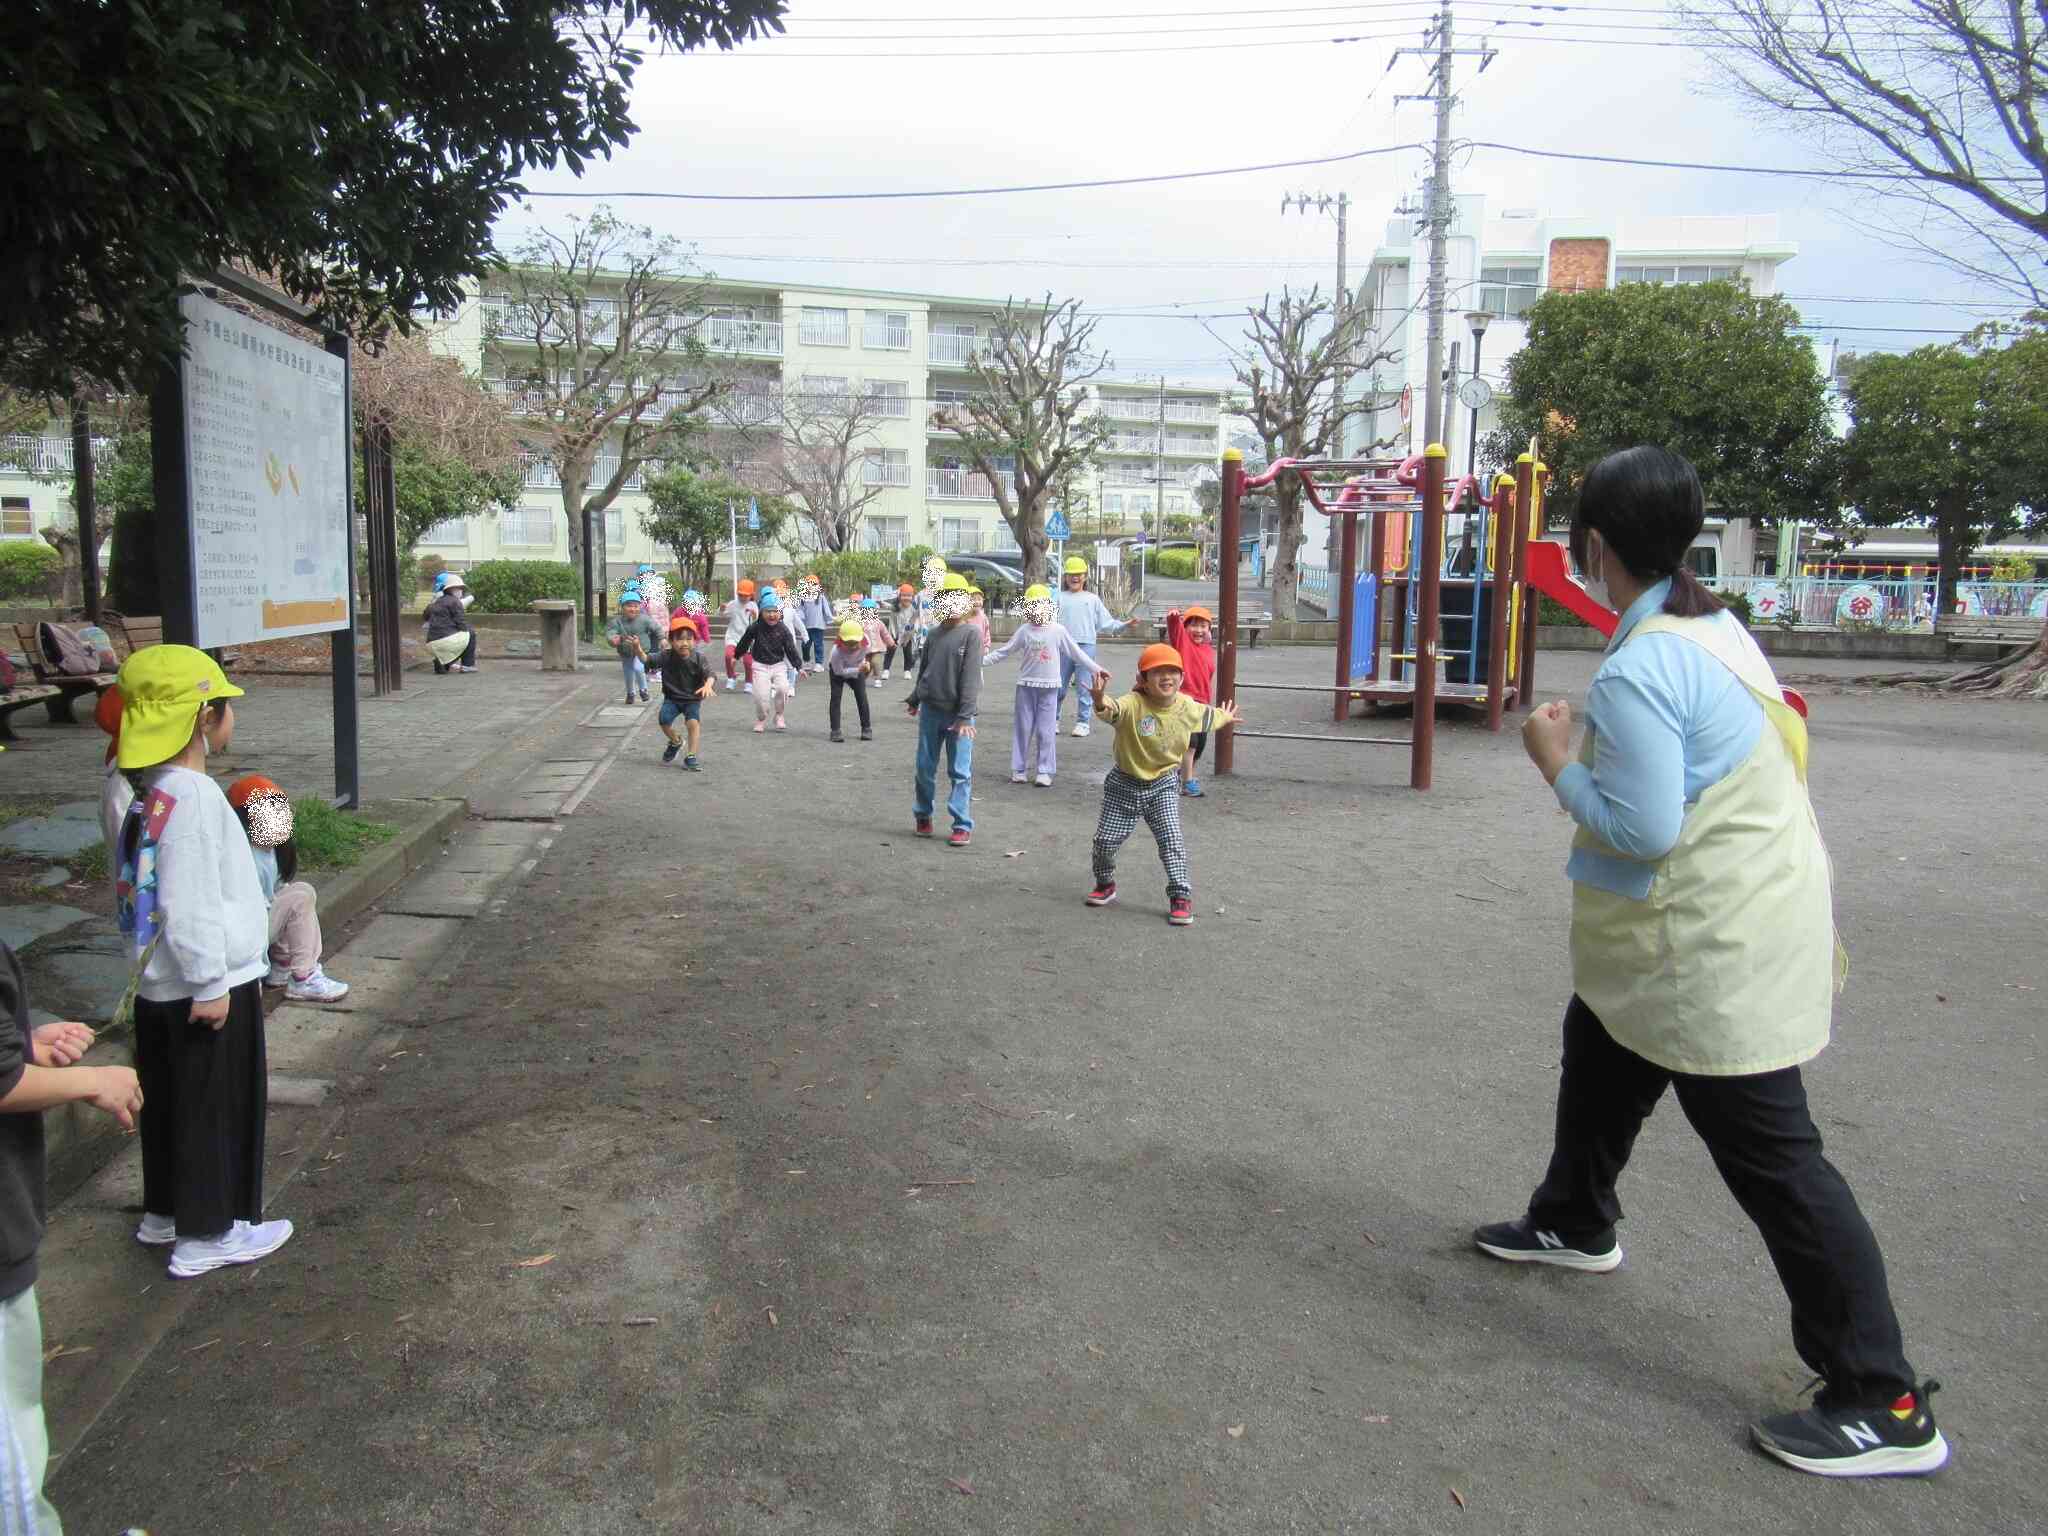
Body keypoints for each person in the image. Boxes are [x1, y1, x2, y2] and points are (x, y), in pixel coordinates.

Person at [1472, 445, 1947, 1479]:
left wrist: (1552, 758)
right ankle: (1571, 1218)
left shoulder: (1646, 662)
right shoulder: (1709, 624)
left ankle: (1882, 1396)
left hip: (1710, 946)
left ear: (1590, 546)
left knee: (1775, 1159)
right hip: (1709, 924)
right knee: (1597, 1036)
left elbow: (1638, 831)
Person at [102, 645, 293, 1280]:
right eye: (226, 706)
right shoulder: (196, 796)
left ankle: (166, 1212)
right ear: (202, 717)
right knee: (218, 1105)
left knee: (170, 1102)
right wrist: (212, 980)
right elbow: (189, 897)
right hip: (207, 984)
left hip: (159, 984)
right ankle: (209, 1233)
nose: (231, 718)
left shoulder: (139, 791)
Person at [0, 941, 144, 1536]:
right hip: (198, 986)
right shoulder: (198, 839)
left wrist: (17, 1042)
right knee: (11, 1447)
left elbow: (274, 857)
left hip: (210, 975)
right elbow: (275, 846)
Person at [1084, 645, 1236, 926]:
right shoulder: (1133, 703)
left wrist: (1225, 716)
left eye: (1172, 672)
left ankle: (1180, 895)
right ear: (1143, 679)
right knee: (1104, 842)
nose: (1166, 677)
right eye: (1158, 672)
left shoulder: (1187, 706)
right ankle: (1105, 883)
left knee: (1171, 840)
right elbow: (1110, 710)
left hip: (1163, 784)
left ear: (1181, 677)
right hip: (1124, 784)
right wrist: (1098, 700)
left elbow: (1208, 717)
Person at [225, 776, 349, 1004]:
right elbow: (250, 908)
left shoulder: (270, 851)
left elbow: (275, 895)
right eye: (268, 815)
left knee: (289, 893)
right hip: (244, 932)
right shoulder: (243, 857)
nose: (280, 819)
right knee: (300, 896)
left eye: (281, 811)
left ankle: (282, 964)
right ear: (245, 821)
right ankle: (303, 976)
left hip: (257, 928)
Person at [984, 583, 1105, 787]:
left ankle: (1045, 770)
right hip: (1026, 687)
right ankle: (1019, 768)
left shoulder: (1058, 630)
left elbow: (1077, 653)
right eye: (1031, 607)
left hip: (1050, 688)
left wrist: (1096, 669)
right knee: (1023, 729)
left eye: (1040, 606)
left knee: (1046, 731)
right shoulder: (1024, 631)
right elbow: (1004, 651)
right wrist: (979, 660)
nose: (1036, 611)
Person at [906, 573, 981, 847]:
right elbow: (925, 671)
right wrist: (915, 699)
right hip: (930, 712)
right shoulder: (935, 635)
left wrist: (964, 715)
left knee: (960, 771)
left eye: (956, 599)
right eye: (944, 599)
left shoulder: (971, 634)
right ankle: (923, 814)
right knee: (924, 768)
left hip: (960, 717)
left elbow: (971, 679)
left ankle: (961, 824)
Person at [1055, 555, 1126, 736]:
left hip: (1086, 646)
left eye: (1078, 574)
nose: (1075, 578)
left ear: (1085, 577)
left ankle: (1083, 722)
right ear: (1065, 577)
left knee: (1085, 686)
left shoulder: (1092, 599)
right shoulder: (1058, 597)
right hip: (1063, 647)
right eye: (1071, 574)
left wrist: (1123, 625)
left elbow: (1106, 622)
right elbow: (1046, 621)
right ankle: (1052, 719)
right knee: (1058, 686)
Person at [732, 588, 805, 733]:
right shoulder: (756, 627)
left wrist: (799, 666)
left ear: (780, 613)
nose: (772, 615)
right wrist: (736, 656)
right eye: (768, 611)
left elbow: (791, 649)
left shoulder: (784, 630)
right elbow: (744, 641)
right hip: (760, 665)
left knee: (783, 688)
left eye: (775, 611)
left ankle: (779, 715)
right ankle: (761, 718)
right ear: (761, 612)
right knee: (761, 695)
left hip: (778, 665)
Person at [1164, 605, 1218, 796]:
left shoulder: (1207, 649)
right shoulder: (1182, 642)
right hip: (1184, 698)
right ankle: (1187, 782)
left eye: (1203, 626)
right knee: (1190, 742)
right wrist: (1173, 618)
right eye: (1194, 625)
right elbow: (1174, 629)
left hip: (1202, 701)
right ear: (1186, 627)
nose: (1198, 630)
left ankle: (1182, 774)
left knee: (1200, 744)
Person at [655, 612, 714, 769]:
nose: (684, 643)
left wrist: (708, 685)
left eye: (689, 639)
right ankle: (676, 741)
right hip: (672, 698)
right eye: (679, 639)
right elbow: (646, 660)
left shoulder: (699, 658)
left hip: (692, 699)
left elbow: (710, 674)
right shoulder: (665, 656)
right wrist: (637, 648)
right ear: (671, 641)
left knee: (693, 723)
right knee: (663, 720)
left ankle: (691, 756)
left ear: (694, 640)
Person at [606, 587, 662, 705]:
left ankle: (643, 690)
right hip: (625, 651)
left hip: (641, 650)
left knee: (638, 668)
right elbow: (611, 633)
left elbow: (656, 627)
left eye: (636, 606)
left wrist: (662, 638)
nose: (633, 609)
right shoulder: (617, 622)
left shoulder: (644, 619)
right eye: (629, 606)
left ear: (640, 607)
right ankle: (630, 693)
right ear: (622, 607)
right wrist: (614, 639)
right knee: (628, 672)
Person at [826, 619, 875, 743]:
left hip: (857, 669)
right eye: (849, 642)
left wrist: (866, 664)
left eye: (855, 642)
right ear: (841, 640)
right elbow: (839, 672)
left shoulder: (866, 643)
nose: (853, 646)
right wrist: (858, 669)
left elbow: (866, 656)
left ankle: (866, 728)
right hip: (838, 672)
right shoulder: (836, 652)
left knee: (862, 696)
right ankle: (835, 730)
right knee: (836, 698)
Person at [423, 572, 478, 674]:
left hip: (431, 644)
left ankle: (442, 663)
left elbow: (425, 616)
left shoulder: (436, 602)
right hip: (446, 642)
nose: (462, 591)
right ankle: (467, 665)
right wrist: (465, 632)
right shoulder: (455, 602)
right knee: (470, 633)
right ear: (454, 589)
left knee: (452, 641)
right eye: (461, 589)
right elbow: (461, 623)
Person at [722, 579, 759, 692]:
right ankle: (731, 677)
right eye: (740, 595)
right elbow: (723, 614)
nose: (742, 597)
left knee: (748, 662)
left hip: (746, 639)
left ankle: (749, 682)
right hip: (732, 637)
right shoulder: (733, 604)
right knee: (729, 656)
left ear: (751, 595)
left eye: (745, 595)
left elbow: (756, 620)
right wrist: (722, 608)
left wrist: (753, 615)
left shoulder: (753, 605)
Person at [795, 574, 834, 674]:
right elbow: (799, 610)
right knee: (805, 645)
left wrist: (829, 618)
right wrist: (799, 618)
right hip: (806, 626)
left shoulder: (820, 597)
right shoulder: (802, 598)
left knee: (818, 645)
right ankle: (806, 661)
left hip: (818, 625)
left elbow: (826, 609)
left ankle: (819, 663)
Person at [860, 598, 890, 688]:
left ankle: (877, 678)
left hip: (876, 648)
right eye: (865, 610)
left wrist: (891, 643)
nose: (868, 612)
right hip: (864, 649)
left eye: (870, 610)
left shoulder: (878, 623)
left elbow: (885, 634)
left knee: (875, 662)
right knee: (866, 665)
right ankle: (861, 679)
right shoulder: (859, 623)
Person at [889, 583, 917, 681]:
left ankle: (907, 671)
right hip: (895, 631)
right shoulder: (895, 607)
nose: (906, 598)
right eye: (904, 595)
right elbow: (892, 621)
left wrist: (908, 636)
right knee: (890, 650)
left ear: (912, 597)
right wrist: (893, 634)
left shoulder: (914, 609)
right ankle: (886, 669)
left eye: (909, 596)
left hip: (907, 633)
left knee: (908, 652)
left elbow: (914, 623)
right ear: (900, 596)